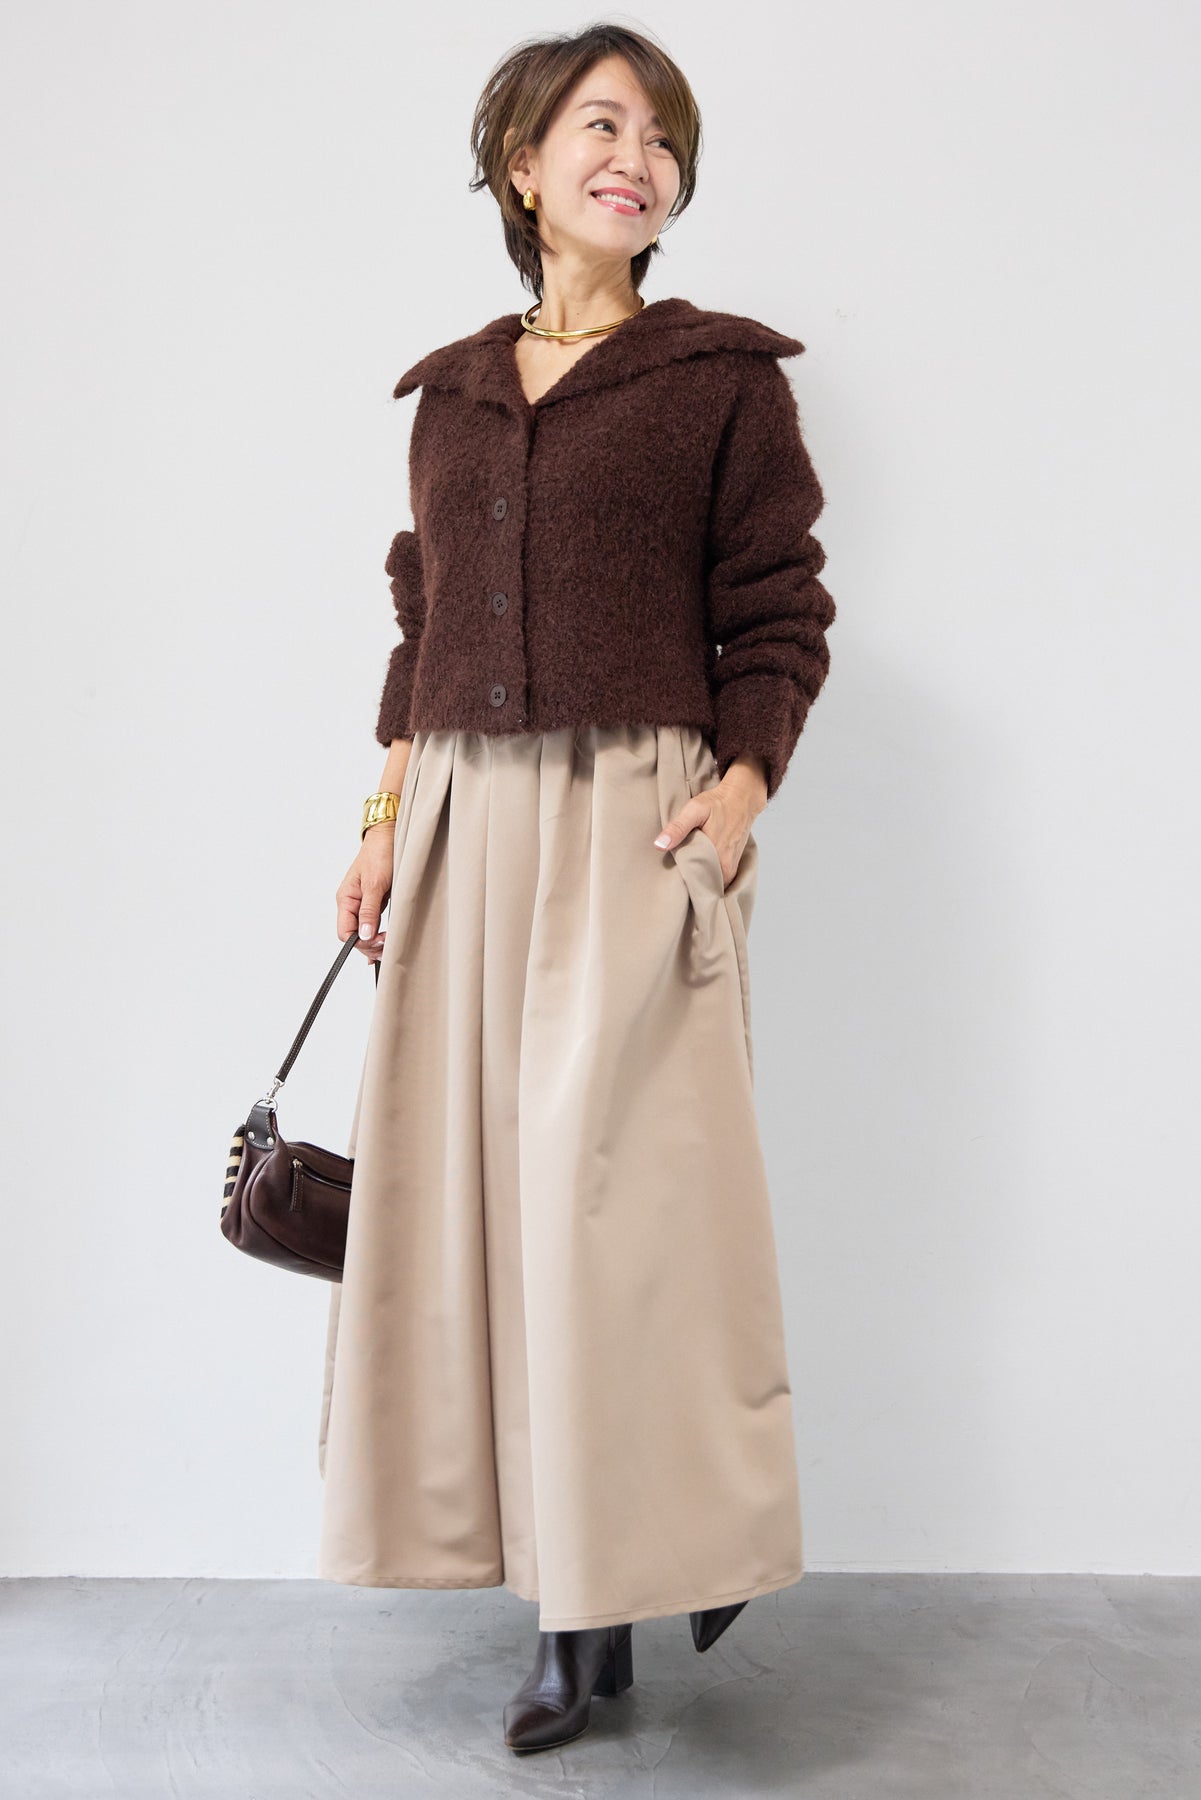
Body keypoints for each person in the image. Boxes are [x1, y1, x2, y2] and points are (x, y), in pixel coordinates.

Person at [317, 23, 836, 1756]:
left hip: (635, 816)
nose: (638, 156)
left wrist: (740, 791)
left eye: (662, 136)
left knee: (616, 1217)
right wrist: (383, 815)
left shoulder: (721, 381)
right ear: (521, 168)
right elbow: (421, 620)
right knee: (486, 1212)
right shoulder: (454, 393)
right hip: (466, 820)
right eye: (600, 125)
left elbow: (776, 609)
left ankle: (645, 1559)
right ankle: (576, 1613)